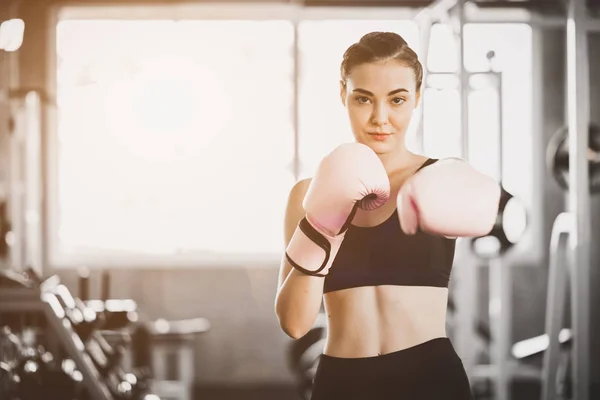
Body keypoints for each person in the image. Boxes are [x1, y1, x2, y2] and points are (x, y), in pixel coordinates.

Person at [274, 31, 501, 400]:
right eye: (363, 98)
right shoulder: (306, 194)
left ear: (417, 99)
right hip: (342, 381)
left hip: (430, 378)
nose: (381, 118)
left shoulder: (439, 178)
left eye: (397, 100)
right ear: (342, 95)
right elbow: (294, 323)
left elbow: (504, 221)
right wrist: (322, 227)